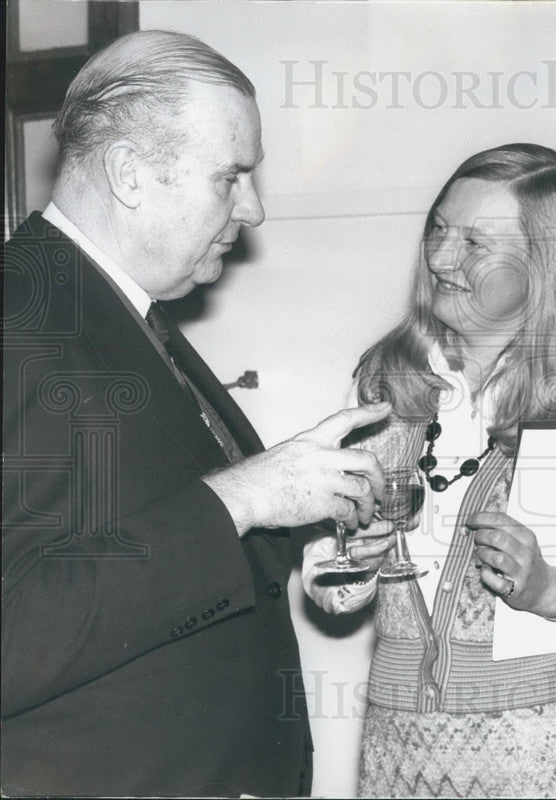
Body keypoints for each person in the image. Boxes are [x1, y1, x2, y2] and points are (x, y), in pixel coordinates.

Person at [1, 30, 394, 797]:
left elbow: (135, 526)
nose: (254, 208)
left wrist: (303, 531)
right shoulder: (21, 321)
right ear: (129, 174)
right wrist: (243, 498)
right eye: (231, 177)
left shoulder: (115, 306)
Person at [302, 143, 556, 797]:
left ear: (546, 264)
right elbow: (322, 574)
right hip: (398, 760)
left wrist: (554, 590)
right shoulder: (386, 383)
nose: (440, 257)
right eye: (438, 229)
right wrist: (349, 562)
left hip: (553, 764)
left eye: (474, 241)